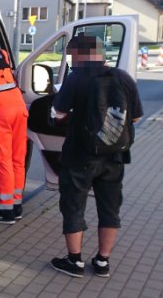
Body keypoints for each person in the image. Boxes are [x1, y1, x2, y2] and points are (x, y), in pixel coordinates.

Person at [49, 34, 143, 278]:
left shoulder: (76, 78)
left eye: (71, 55)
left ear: (80, 54)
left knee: (73, 205)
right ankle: (103, 261)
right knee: (110, 208)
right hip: (115, 156)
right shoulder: (123, 78)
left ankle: (74, 261)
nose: (71, 60)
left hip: (80, 155)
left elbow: (58, 114)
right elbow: (135, 117)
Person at [0, 46, 29, 224]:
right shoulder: (2, 53)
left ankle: (5, 210)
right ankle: (16, 206)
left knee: (3, 161)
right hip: (18, 106)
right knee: (18, 159)